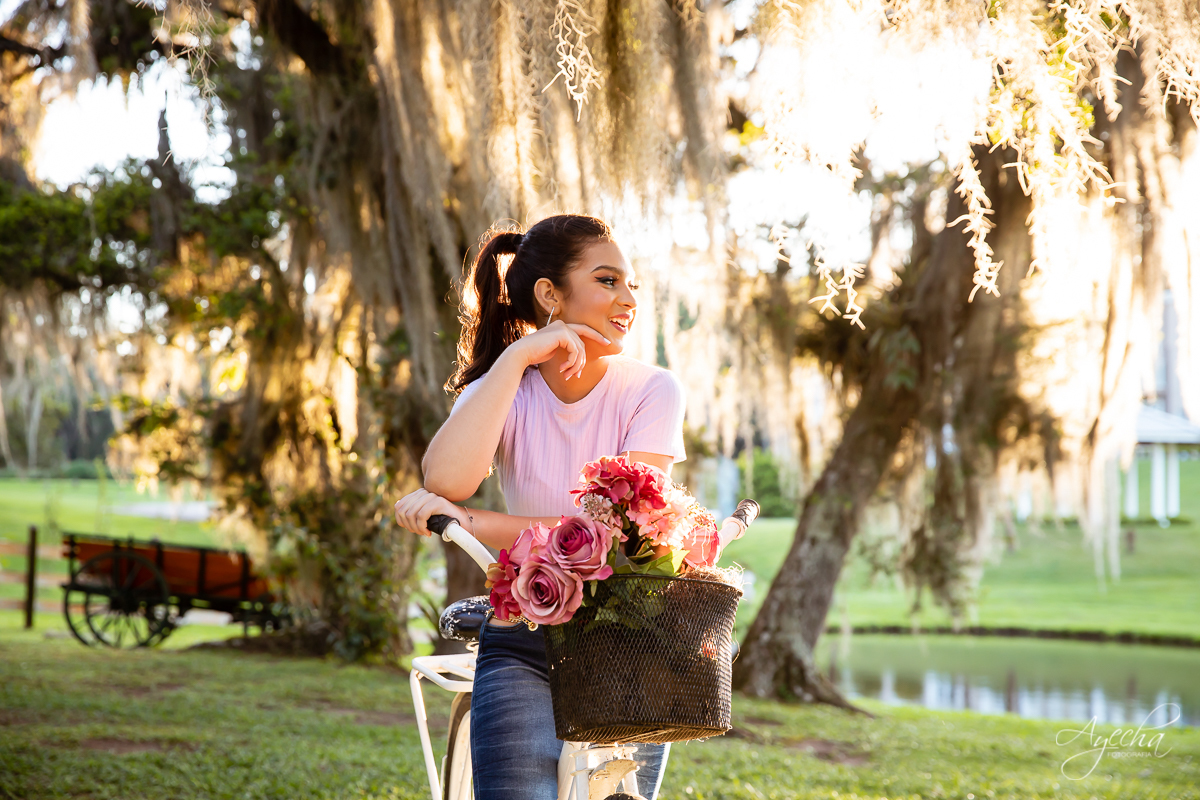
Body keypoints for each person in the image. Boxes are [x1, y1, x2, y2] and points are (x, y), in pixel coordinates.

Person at [393, 214, 686, 800]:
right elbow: (446, 479)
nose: (628, 299)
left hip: (629, 638)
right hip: (525, 633)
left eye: (631, 284)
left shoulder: (651, 390)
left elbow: (623, 534)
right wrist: (516, 357)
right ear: (550, 294)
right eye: (607, 281)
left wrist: (476, 524)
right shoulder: (507, 388)